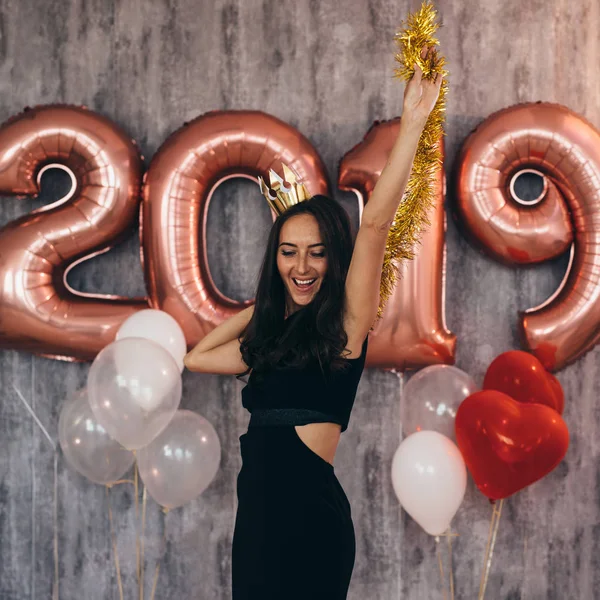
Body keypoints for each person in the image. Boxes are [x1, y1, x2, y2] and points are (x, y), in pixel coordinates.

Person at [184, 45, 443, 600]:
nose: (301, 266)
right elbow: (196, 357)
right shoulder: (269, 341)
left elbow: (374, 225)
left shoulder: (347, 325)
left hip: (310, 521)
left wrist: (415, 122)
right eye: (288, 252)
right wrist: (264, 306)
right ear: (275, 259)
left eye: (316, 252)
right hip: (254, 522)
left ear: (335, 259)